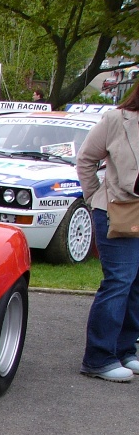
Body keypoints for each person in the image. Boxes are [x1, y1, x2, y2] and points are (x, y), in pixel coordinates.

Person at [75, 84, 139, 382]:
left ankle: (125, 349)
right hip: (116, 211)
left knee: (136, 285)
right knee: (119, 282)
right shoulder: (117, 120)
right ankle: (99, 357)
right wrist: (94, 198)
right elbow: (86, 159)